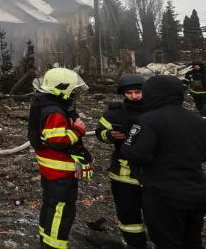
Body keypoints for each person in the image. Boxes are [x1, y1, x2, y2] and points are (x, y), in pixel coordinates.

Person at [121, 75, 206, 249]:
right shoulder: (198, 120)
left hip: (163, 195)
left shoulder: (147, 120)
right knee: (193, 241)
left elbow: (134, 153)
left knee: (167, 242)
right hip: (197, 192)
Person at [27, 67, 93, 249]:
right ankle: (53, 245)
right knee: (61, 211)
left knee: (50, 205)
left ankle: (45, 238)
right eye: (73, 90)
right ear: (61, 88)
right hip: (61, 173)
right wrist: (78, 130)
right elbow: (57, 141)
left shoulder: (44, 104)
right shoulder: (54, 111)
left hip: (51, 172)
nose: (74, 94)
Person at [95, 74, 147, 248]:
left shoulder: (155, 110)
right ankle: (136, 244)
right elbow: (99, 132)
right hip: (122, 174)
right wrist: (109, 135)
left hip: (152, 174)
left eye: (138, 92)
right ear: (123, 94)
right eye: (130, 93)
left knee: (157, 213)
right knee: (128, 214)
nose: (134, 96)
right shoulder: (114, 113)